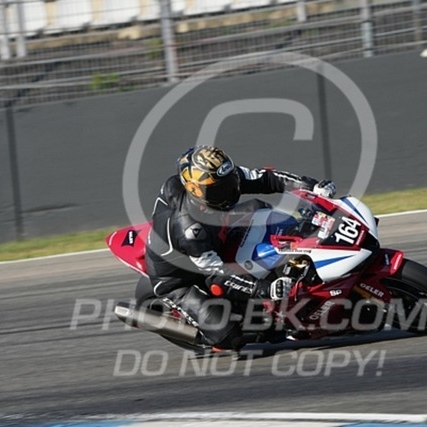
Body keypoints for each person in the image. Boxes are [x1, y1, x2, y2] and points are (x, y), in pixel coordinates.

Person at [144, 145, 336, 349]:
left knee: (260, 209)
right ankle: (207, 335)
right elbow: (218, 275)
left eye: (230, 181)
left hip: (218, 231)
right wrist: (266, 289)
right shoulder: (190, 231)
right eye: (218, 189)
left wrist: (312, 187)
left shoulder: (217, 179)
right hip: (182, 278)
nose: (228, 191)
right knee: (228, 337)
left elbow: (267, 178)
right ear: (195, 190)